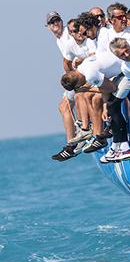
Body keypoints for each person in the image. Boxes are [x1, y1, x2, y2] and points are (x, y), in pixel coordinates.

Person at [60, 51, 130, 162]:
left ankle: (123, 146)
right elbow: (105, 86)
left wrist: (88, 89)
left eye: (78, 87)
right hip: (121, 68)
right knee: (108, 105)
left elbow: (111, 88)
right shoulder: (83, 67)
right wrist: (104, 106)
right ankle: (116, 145)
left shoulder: (90, 75)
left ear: (78, 84)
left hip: (129, 68)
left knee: (113, 105)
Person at [46, 11, 79, 161]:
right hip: (74, 76)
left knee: (65, 106)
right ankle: (76, 135)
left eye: (57, 20)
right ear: (48, 27)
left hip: (80, 75)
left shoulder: (68, 34)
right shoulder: (59, 39)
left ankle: (71, 145)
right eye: (52, 22)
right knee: (63, 107)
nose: (56, 23)